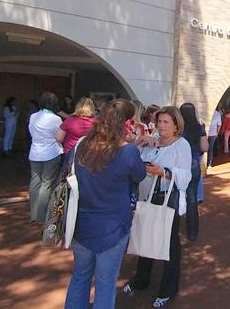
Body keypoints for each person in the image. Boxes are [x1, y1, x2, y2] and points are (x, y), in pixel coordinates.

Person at [64, 99, 146, 309]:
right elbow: (139, 175)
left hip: (81, 223)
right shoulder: (128, 151)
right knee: (106, 283)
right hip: (113, 227)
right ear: (126, 123)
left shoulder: (81, 145)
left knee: (80, 277)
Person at [124, 106, 192, 308]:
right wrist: (138, 142)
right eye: (159, 121)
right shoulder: (151, 141)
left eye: (165, 122)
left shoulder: (182, 145)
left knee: (169, 243)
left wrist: (163, 171)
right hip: (147, 196)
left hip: (167, 197)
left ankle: (168, 289)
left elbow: (186, 175)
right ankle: (141, 280)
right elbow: (131, 162)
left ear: (175, 125)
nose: (160, 126)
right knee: (145, 237)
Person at [28, 92, 63, 223]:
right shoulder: (56, 119)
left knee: (35, 181)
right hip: (51, 153)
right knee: (47, 184)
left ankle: (33, 213)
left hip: (35, 152)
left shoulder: (33, 116)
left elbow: (31, 131)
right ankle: (41, 215)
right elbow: (59, 136)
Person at [180, 102, 208, 240]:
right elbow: (205, 147)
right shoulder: (199, 127)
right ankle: (192, 231)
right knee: (192, 198)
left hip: (178, 164)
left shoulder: (178, 127)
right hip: (193, 163)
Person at [56, 98, 97, 169]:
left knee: (68, 177)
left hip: (70, 153)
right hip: (89, 154)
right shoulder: (97, 123)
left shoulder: (70, 120)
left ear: (77, 107)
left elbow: (59, 139)